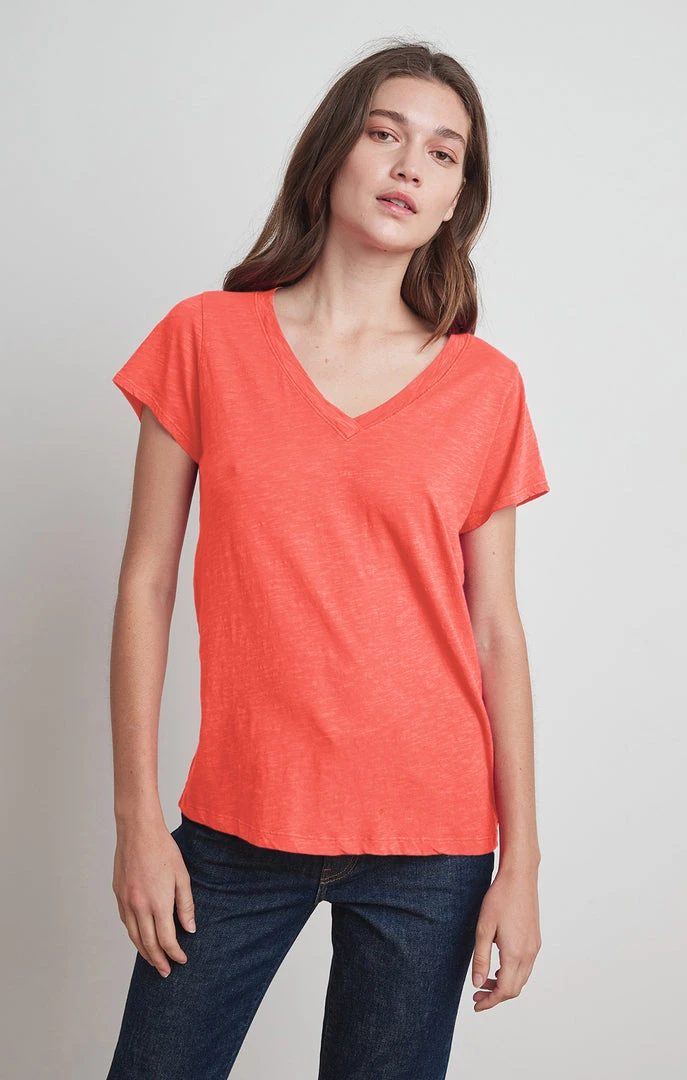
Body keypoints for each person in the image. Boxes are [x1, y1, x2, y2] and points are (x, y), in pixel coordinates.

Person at [105, 39, 550, 1080]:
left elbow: (496, 629)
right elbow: (146, 584)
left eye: (442, 154)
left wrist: (522, 862)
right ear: (332, 151)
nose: (409, 166)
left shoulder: (484, 387)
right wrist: (137, 822)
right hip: (236, 822)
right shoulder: (205, 339)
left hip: (432, 844)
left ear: (457, 200)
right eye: (385, 133)